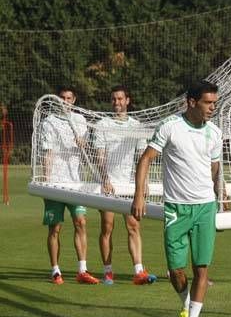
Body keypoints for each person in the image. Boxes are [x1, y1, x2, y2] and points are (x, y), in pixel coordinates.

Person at [132, 81, 222, 317]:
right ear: (191, 102)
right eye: (207, 102)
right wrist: (140, 195)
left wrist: (218, 194)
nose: (212, 108)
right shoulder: (170, 127)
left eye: (214, 103)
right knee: (175, 270)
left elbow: (214, 168)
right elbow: (146, 159)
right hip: (176, 207)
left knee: (202, 268)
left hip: (205, 206)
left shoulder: (214, 133)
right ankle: (185, 303)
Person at [94, 85, 156, 285]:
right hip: (107, 185)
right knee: (107, 227)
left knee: (133, 225)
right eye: (113, 99)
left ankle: (139, 271)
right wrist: (105, 179)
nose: (117, 103)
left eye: (120, 99)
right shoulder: (102, 124)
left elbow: (142, 156)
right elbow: (100, 156)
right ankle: (108, 271)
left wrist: (143, 182)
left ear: (127, 100)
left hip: (128, 185)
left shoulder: (136, 126)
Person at [42, 86, 99, 284]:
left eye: (69, 98)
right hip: (56, 184)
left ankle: (82, 270)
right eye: (62, 98)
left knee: (81, 222)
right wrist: (47, 181)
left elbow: (86, 149)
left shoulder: (80, 120)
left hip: (75, 183)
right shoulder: (49, 122)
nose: (65, 101)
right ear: (57, 101)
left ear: (73, 100)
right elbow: (47, 152)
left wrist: (82, 142)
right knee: (55, 228)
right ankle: (55, 270)